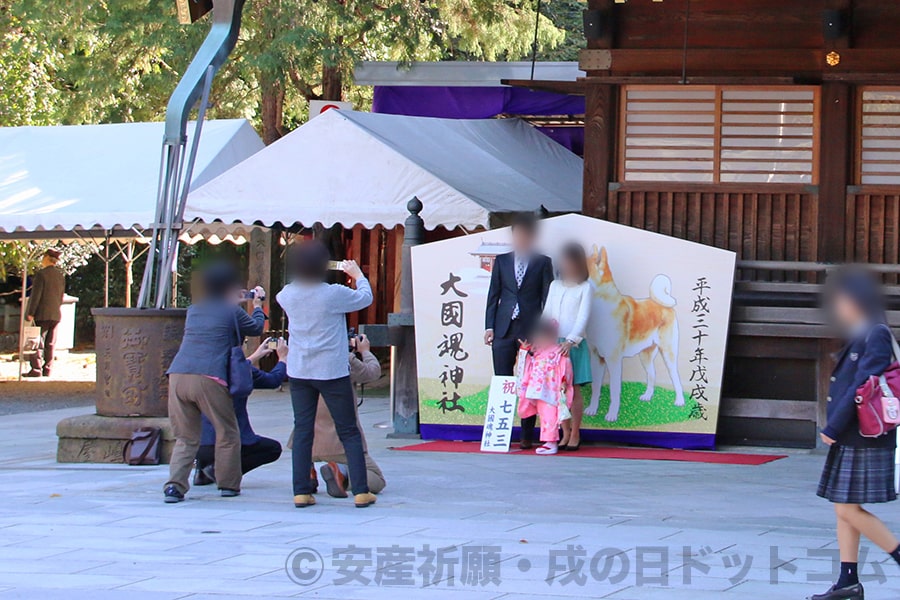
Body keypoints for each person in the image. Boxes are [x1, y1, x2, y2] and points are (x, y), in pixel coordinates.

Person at [813, 268, 900, 600]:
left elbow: (863, 385)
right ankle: (848, 582)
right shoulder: (863, 331)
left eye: (843, 299)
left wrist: (833, 426)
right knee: (843, 508)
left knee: (848, 509)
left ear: (858, 299)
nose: (839, 306)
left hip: (863, 433)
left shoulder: (875, 334)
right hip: (854, 432)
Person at [276, 241, 376, 509]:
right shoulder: (332, 294)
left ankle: (301, 492)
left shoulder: (287, 294)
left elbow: (279, 297)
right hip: (331, 370)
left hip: (299, 370)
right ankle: (361, 491)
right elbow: (365, 298)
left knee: (303, 429)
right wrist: (359, 276)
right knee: (348, 431)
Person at [163, 262, 266, 503]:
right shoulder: (232, 311)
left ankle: (174, 487)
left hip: (178, 375)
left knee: (186, 437)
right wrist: (258, 305)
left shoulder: (194, 309)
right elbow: (256, 328)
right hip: (209, 377)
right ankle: (228, 484)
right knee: (227, 432)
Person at [484, 213, 554, 450]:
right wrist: (489, 327)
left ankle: (527, 435)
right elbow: (493, 295)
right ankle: (499, 435)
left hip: (530, 329)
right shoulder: (502, 261)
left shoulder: (543, 262)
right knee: (503, 379)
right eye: (517, 235)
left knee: (528, 383)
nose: (521, 239)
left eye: (526, 235)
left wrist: (544, 331)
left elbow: (548, 299)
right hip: (504, 327)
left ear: (532, 237)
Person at [192, 337, 288, 486]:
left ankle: (202, 471)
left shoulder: (200, 367)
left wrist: (256, 355)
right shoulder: (242, 370)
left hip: (198, 444)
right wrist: (282, 359)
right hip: (230, 441)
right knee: (272, 449)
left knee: (209, 429)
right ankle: (219, 470)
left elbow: (230, 368)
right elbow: (273, 380)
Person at [315, 333, 386, 497]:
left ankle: (308, 474)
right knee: (377, 479)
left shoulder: (302, 355)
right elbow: (373, 373)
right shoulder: (342, 357)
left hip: (306, 441)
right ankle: (341, 471)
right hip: (338, 441)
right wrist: (365, 351)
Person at [541, 242, 592, 451]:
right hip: (553, 344)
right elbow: (546, 314)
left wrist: (571, 341)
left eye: (570, 261)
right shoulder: (555, 285)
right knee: (557, 390)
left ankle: (576, 432)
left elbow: (583, 318)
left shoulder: (586, 287)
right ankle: (564, 431)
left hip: (574, 345)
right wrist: (541, 337)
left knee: (574, 389)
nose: (566, 265)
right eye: (563, 261)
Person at [516, 320, 574, 455]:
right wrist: (524, 351)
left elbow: (565, 366)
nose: (540, 339)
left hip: (551, 389)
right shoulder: (537, 351)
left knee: (550, 416)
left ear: (552, 336)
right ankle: (548, 441)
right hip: (539, 389)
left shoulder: (559, 351)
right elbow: (526, 366)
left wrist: (564, 380)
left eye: (544, 336)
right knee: (544, 416)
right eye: (539, 336)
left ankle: (551, 442)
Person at [24, 248, 66, 378]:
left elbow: (35, 295)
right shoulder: (60, 276)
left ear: (47, 258)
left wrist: (30, 312)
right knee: (50, 343)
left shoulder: (41, 275)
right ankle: (48, 368)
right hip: (55, 313)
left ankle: (36, 369)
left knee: (37, 341)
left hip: (42, 313)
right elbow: (60, 296)